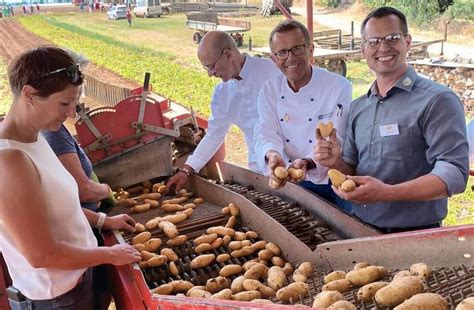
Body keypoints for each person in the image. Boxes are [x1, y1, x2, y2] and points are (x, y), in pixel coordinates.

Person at [0, 46, 141, 309]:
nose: (72, 113)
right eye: (65, 103)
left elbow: (57, 210)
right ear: (30, 94)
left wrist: (104, 220)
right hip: (58, 297)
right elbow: (42, 254)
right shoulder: (10, 160)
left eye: (74, 102)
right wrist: (110, 254)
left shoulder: (35, 136)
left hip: (78, 275)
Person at [314, 7, 469, 233]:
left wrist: (387, 193)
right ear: (363, 49)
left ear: (408, 42)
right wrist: (336, 162)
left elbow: (454, 173)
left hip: (415, 233)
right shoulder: (359, 107)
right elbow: (352, 168)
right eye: (374, 41)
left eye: (392, 38)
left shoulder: (437, 100)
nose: (383, 47)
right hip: (359, 226)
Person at [254, 19, 352, 212]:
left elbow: (336, 136)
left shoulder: (338, 86)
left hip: (330, 179)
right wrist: (273, 155)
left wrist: (307, 162)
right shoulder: (269, 90)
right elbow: (265, 131)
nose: (290, 58)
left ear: (310, 50)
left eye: (297, 48)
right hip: (290, 181)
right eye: (282, 52)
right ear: (274, 59)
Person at [166, 31, 281, 192]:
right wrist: (187, 169)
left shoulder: (273, 72)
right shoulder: (222, 94)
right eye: (206, 68)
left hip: (291, 166)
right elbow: (214, 135)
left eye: (211, 66)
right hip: (259, 169)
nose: (210, 74)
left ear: (228, 54)